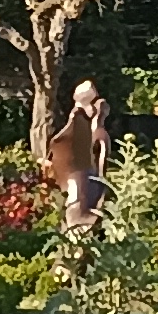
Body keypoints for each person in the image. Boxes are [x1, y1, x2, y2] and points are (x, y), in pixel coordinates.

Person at [44, 81, 110, 235]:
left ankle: (77, 234)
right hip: (80, 175)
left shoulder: (85, 123)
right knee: (76, 207)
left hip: (84, 174)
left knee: (77, 207)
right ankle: (77, 234)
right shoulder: (80, 119)